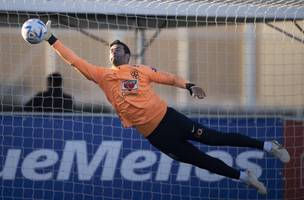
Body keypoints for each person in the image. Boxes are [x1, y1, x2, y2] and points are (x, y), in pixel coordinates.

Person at [40, 20, 290, 194]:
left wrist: (189, 85)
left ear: (127, 55)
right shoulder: (102, 75)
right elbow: (75, 61)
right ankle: (244, 177)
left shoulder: (140, 71)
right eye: (111, 51)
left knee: (215, 138)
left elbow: (169, 78)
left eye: (118, 49)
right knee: (200, 161)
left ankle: (269, 146)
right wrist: (51, 38)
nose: (113, 52)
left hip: (170, 119)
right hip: (156, 136)